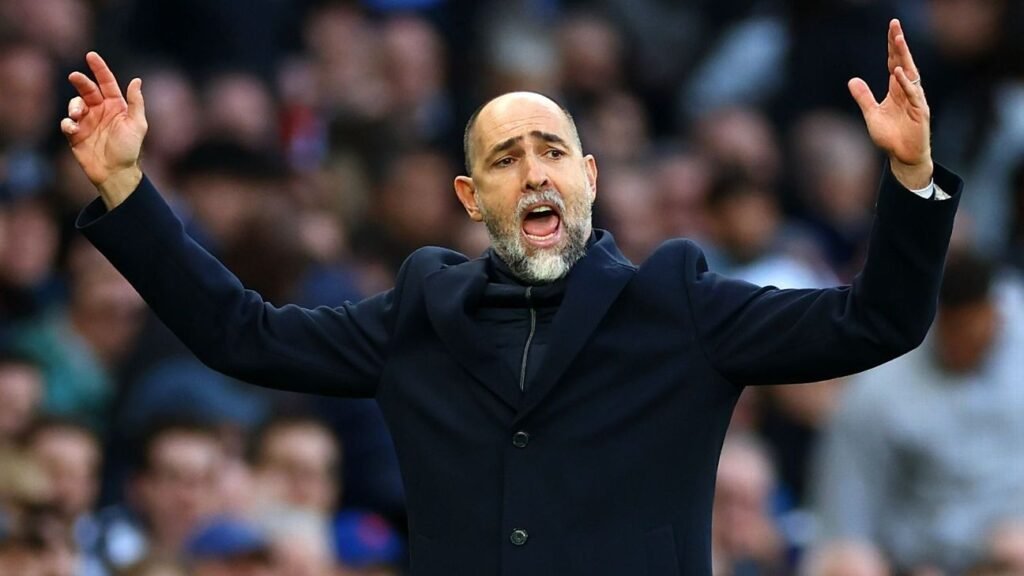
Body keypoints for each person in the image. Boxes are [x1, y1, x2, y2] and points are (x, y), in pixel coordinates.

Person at [60, 19, 961, 575]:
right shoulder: (418, 314)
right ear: (470, 198)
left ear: (589, 179)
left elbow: (876, 320)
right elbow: (241, 334)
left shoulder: (679, 306)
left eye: (552, 151)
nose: (533, 172)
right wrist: (128, 190)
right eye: (504, 158)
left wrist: (912, 174)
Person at [811, 249, 1024, 574]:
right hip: (917, 561)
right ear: (939, 320)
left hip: (1010, 548)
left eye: (979, 330)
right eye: (958, 332)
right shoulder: (879, 389)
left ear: (997, 316)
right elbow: (845, 513)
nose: (967, 343)